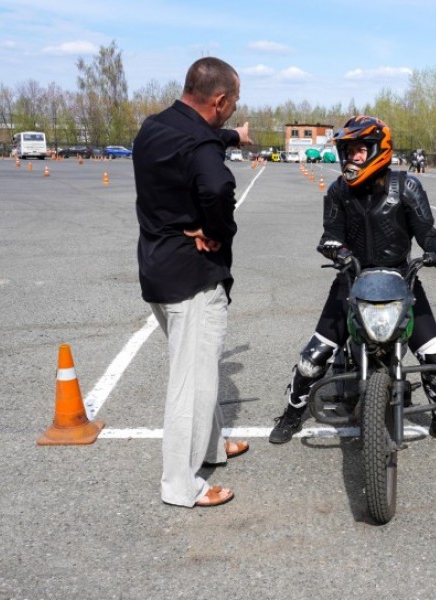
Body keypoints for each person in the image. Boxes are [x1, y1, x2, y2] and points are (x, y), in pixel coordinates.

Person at [269, 115, 436, 450]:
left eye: (360, 150)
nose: (352, 158)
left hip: (402, 281)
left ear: (380, 150)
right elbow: (330, 234)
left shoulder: (407, 187)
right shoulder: (338, 191)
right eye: (348, 151)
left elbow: (428, 232)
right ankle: (291, 411)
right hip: (351, 281)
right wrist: (336, 249)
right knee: (313, 358)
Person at [133, 57, 254, 508]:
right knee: (193, 381)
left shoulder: (154, 128)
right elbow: (218, 189)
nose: (233, 109)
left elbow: (204, 137)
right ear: (220, 100)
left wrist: (234, 137)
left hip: (156, 269)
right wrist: (218, 231)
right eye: (234, 103)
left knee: (198, 368)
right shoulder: (202, 150)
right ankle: (180, 486)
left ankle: (211, 447)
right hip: (193, 278)